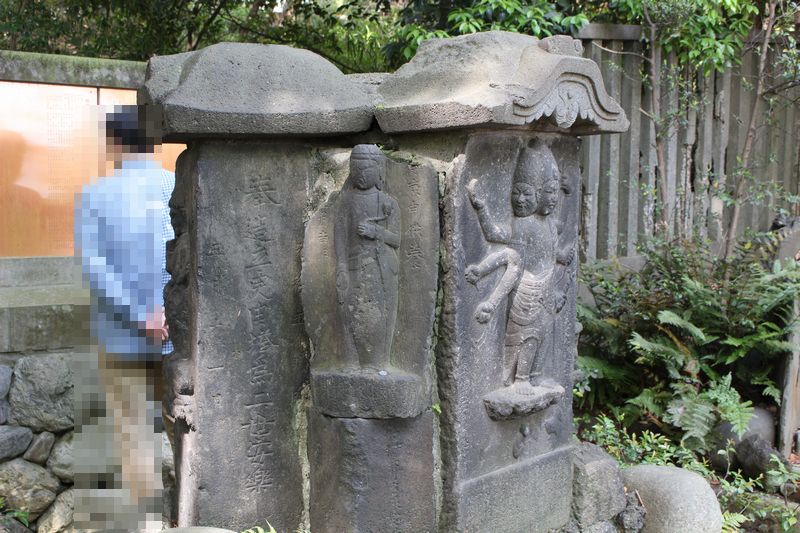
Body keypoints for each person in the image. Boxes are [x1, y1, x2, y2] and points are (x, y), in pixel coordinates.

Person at [73, 105, 174, 531]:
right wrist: (167, 312)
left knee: (134, 433)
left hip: (120, 336)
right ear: (153, 141)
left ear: (115, 142)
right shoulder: (177, 186)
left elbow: (95, 269)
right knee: (187, 425)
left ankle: (149, 525)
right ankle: (192, 512)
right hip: (178, 335)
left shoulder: (94, 196)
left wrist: (138, 316)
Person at [465, 140, 572, 395]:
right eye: (517, 193)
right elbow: (496, 238)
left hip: (546, 287)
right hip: (527, 289)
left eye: (528, 194)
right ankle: (520, 379)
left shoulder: (548, 224)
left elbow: (554, 241)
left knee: (543, 334)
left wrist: (567, 197)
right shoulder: (522, 225)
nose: (521, 200)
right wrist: (481, 207)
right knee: (526, 334)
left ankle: (533, 376)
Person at [334, 144, 401, 370]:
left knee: (379, 314)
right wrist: (341, 266)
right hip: (353, 266)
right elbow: (340, 236)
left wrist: (376, 232)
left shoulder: (388, 203)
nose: (361, 174)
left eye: (366, 169)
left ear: (379, 170)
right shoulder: (346, 201)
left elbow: (396, 240)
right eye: (356, 169)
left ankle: (377, 362)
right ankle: (351, 359)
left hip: (380, 268)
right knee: (348, 310)